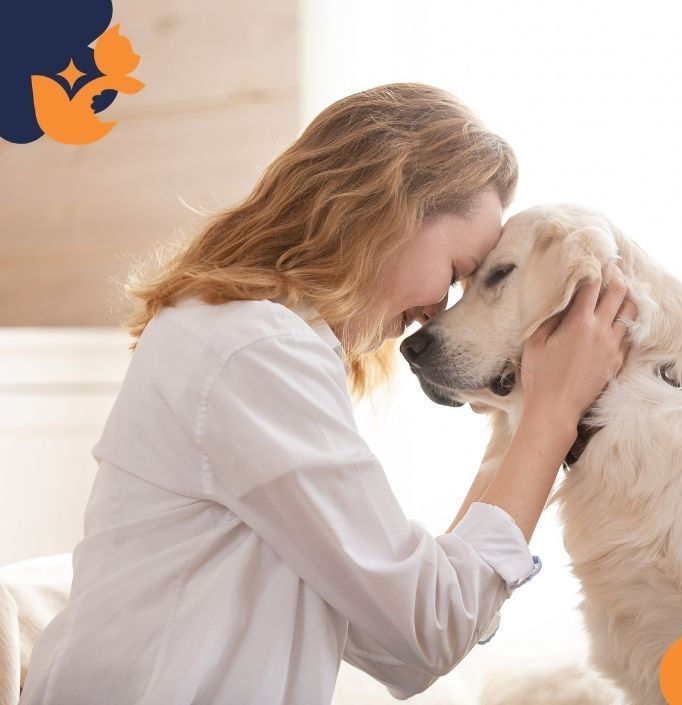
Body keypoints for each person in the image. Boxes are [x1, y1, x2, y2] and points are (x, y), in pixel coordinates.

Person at [18, 83, 635, 705]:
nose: (436, 312)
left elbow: (394, 636)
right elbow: (428, 629)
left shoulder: (245, 337)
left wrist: (524, 415)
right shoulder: (254, 350)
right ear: (388, 211)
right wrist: (551, 419)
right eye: (453, 273)